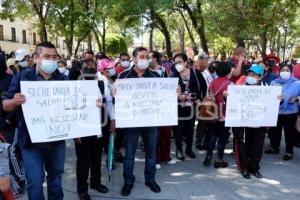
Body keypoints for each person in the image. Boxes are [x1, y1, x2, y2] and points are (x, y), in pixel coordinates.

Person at [2, 42, 67, 200]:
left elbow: (76, 105)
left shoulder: (64, 79)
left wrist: (94, 104)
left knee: (56, 179)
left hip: (56, 139)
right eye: (46, 57)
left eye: (54, 57)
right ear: (36, 58)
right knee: (35, 182)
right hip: (30, 142)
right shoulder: (21, 77)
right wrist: (14, 101)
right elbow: (5, 105)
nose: (51, 60)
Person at [118, 47, 161, 196]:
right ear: (134, 58)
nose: (145, 59)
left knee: (151, 153)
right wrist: (114, 93)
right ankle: (128, 181)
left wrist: (174, 92)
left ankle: (150, 179)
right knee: (129, 154)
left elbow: (162, 97)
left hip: (150, 121)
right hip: (131, 122)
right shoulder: (124, 76)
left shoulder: (156, 76)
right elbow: (118, 98)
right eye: (141, 57)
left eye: (147, 57)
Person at [69, 51, 110, 200]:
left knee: (97, 158)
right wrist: (75, 132)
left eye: (93, 67)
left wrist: (103, 107)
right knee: (83, 161)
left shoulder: (101, 83)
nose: (91, 69)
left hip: (99, 128)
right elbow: (70, 110)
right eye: (87, 67)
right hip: (82, 130)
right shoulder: (74, 87)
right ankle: (82, 189)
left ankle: (96, 182)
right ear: (81, 70)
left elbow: (109, 102)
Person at [171, 53, 207, 161]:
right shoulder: (173, 75)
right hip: (178, 107)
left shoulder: (195, 73)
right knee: (178, 130)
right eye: (175, 62)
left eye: (180, 62)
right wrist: (177, 96)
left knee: (190, 129)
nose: (177, 64)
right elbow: (169, 92)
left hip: (192, 107)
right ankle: (179, 150)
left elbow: (204, 86)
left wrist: (200, 99)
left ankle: (189, 149)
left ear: (186, 62)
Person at [233, 64, 267, 179]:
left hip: (259, 123)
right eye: (249, 73)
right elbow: (232, 102)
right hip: (243, 123)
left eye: (253, 74)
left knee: (257, 146)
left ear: (260, 77)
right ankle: (244, 168)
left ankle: (255, 168)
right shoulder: (240, 87)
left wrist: (279, 100)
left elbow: (273, 104)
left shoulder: (267, 88)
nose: (250, 76)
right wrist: (227, 96)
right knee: (243, 145)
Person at [265, 64, 300, 160]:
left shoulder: (297, 83)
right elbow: (268, 97)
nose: (285, 72)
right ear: (280, 72)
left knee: (289, 133)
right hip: (277, 112)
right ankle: (274, 147)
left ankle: (289, 152)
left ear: (291, 72)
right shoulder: (274, 83)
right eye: (283, 70)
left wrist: (297, 98)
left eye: (287, 70)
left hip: (291, 112)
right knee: (275, 131)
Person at [149, 51, 176, 169]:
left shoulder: (164, 70)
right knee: (155, 134)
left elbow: (168, 85)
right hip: (151, 106)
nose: (147, 60)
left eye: (149, 57)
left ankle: (166, 156)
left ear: (155, 59)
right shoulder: (144, 72)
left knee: (166, 132)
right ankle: (155, 158)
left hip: (164, 105)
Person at [203, 61, 232, 168]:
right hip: (224, 115)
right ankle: (219, 160)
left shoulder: (212, 82)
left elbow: (209, 95)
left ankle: (208, 157)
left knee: (212, 135)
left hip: (212, 114)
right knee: (222, 138)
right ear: (228, 72)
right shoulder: (230, 84)